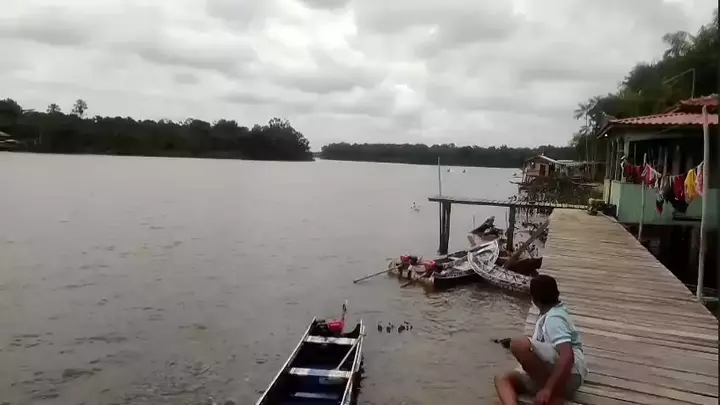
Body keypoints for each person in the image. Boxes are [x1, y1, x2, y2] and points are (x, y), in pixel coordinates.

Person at [494, 274, 588, 405]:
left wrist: (548, 389)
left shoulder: (554, 319)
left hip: (569, 375)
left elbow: (567, 357)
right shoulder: (549, 314)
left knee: (518, 345)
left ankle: (553, 396)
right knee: (502, 379)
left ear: (534, 299)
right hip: (556, 372)